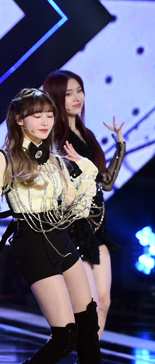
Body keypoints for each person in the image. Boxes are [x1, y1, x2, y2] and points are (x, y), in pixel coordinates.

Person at [0, 88, 128, 364]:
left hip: (61, 238)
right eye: (36, 115)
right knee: (65, 335)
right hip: (32, 243)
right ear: (19, 120)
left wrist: (84, 171)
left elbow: (74, 206)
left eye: (49, 115)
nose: (45, 121)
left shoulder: (54, 160)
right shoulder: (5, 158)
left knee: (88, 323)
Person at [43, 70, 125, 338]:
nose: (77, 98)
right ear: (56, 98)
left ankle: (90, 360)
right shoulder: (56, 137)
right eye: (68, 93)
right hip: (74, 226)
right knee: (88, 305)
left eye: (79, 91)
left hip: (97, 226)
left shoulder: (86, 133)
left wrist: (120, 146)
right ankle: (86, 359)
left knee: (104, 301)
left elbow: (106, 182)